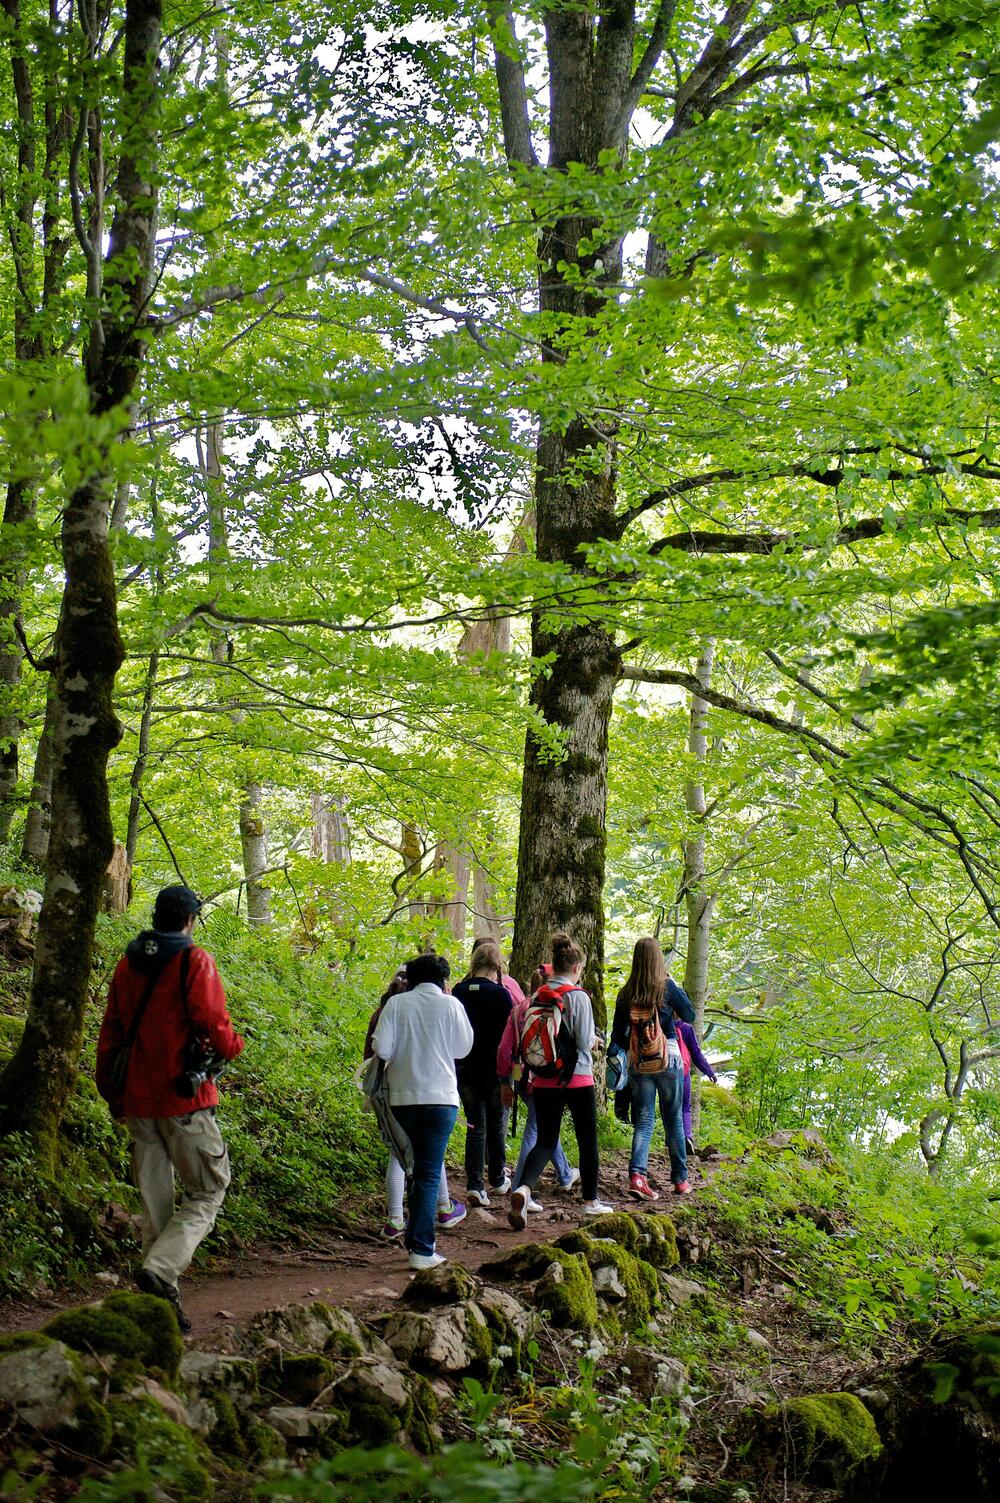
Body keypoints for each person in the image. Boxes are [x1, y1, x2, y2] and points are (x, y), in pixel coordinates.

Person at [96, 885, 244, 1332]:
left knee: (155, 1202)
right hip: (184, 1098)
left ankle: (160, 1307)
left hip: (139, 1099)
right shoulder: (193, 960)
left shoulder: (128, 963)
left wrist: (111, 1091)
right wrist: (231, 1048)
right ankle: (161, 1272)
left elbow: (113, 1030)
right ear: (189, 920)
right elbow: (213, 1023)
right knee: (209, 1189)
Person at [373, 952, 473, 1270]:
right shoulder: (451, 1005)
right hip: (442, 1097)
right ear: (444, 980)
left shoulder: (396, 1005)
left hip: (402, 1099)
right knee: (429, 1172)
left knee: (413, 1169)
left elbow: (383, 1049)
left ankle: (416, 1241)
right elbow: (462, 1049)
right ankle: (421, 1249)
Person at [508, 933, 611, 1229]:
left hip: (543, 1078)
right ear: (577, 968)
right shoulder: (578, 996)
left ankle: (523, 1189)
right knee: (587, 1141)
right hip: (577, 1077)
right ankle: (590, 1202)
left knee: (545, 1140)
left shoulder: (538, 996)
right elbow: (582, 1040)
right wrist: (596, 1041)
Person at [611, 939, 695, 1200]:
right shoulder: (666, 987)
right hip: (668, 1058)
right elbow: (690, 1015)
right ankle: (680, 1180)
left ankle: (637, 1176)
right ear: (658, 960)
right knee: (673, 1121)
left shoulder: (626, 994)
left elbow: (617, 1036)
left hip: (640, 1062)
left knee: (644, 1121)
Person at [499, 961, 579, 1201]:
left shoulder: (518, 1010)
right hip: (548, 1076)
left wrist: (505, 1081)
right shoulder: (556, 1006)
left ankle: (565, 1175)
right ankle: (520, 1187)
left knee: (544, 1128)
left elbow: (505, 1049)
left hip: (522, 1076)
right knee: (534, 1130)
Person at [452, 940, 513, 1206]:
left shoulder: (458, 991)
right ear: (496, 966)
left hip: (465, 1068)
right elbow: (508, 1036)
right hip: (494, 1070)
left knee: (475, 1125)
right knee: (497, 1123)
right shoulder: (501, 995)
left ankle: (475, 1185)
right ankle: (498, 1178)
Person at [676, 1018, 718, 1155]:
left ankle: (672, 1140)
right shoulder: (686, 1028)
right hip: (683, 1072)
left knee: (668, 1109)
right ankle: (687, 1137)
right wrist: (708, 1071)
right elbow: (696, 1054)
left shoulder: (660, 1024)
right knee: (685, 1108)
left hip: (664, 1073)